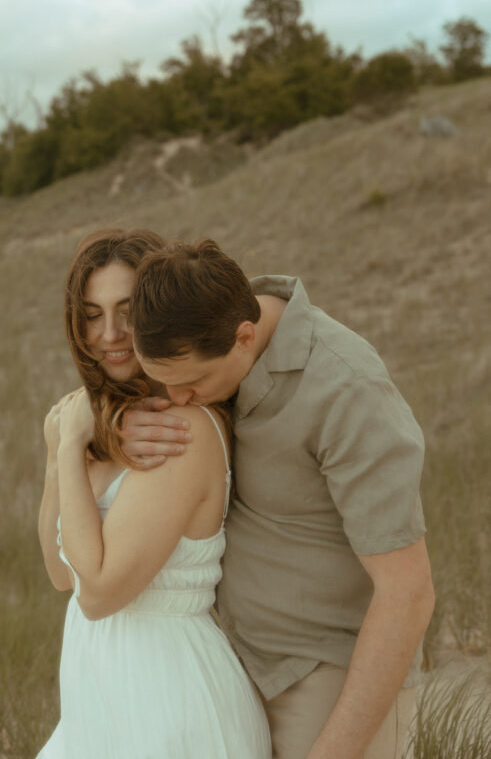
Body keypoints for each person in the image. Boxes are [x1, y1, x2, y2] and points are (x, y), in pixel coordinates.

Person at [123, 239, 435, 759]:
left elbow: (408, 593)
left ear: (245, 338)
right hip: (232, 671)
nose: (177, 401)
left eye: (192, 383)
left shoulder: (348, 390)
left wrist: (334, 750)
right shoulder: (204, 336)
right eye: (163, 383)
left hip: (329, 677)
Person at [36, 228, 271, 758]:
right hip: (101, 699)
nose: (111, 333)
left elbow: (96, 593)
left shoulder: (180, 427)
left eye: (127, 309)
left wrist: (69, 444)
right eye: (92, 314)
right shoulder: (97, 423)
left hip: (169, 698)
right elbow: (60, 573)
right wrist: (65, 449)